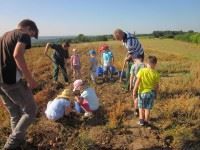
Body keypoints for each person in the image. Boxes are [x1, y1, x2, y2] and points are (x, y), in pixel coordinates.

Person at [0, 19, 39, 149]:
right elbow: (17, 55)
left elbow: (8, 58)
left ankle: (18, 141)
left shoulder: (4, 35)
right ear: (29, 28)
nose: (31, 38)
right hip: (10, 81)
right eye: (32, 34)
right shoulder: (23, 34)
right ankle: (11, 144)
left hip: (1, 82)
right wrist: (30, 80)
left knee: (15, 112)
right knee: (31, 110)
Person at [133, 56, 160, 127]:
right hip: (151, 93)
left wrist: (134, 90)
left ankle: (141, 121)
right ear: (155, 64)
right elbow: (157, 86)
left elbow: (137, 82)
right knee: (147, 108)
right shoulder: (156, 73)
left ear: (147, 63)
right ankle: (147, 121)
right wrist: (156, 94)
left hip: (142, 93)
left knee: (141, 107)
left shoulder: (142, 71)